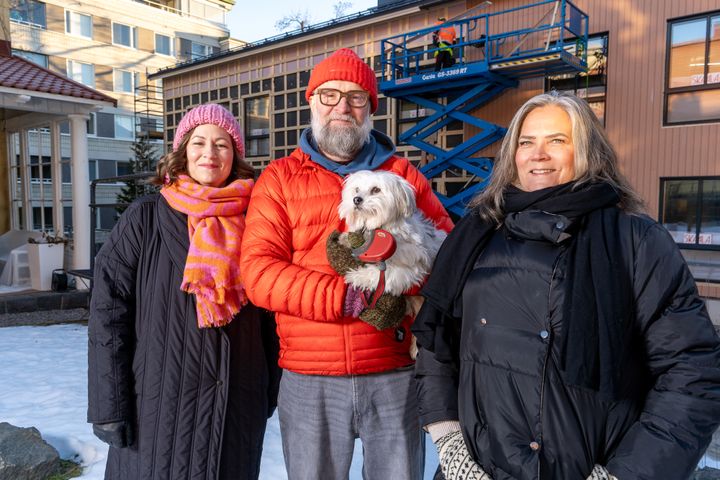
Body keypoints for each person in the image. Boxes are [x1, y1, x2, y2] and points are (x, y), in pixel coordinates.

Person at [412, 91, 720, 480]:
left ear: (588, 150)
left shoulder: (636, 241)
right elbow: (438, 347)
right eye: (526, 142)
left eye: (557, 140)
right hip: (476, 470)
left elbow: (691, 373)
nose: (538, 154)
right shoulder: (477, 234)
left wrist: (626, 474)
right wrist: (449, 440)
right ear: (513, 155)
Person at [240, 48, 453, 480]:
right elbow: (258, 274)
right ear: (311, 101)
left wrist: (404, 284)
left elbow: (447, 257)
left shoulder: (404, 176)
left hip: (393, 368)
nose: (342, 106)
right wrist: (347, 297)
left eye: (356, 97)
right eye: (330, 94)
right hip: (309, 374)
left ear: (371, 109)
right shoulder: (279, 178)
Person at [87, 104, 281, 480]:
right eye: (199, 142)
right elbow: (108, 316)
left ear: (235, 155)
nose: (210, 153)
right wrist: (108, 405)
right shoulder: (144, 217)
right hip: (158, 409)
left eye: (222, 144)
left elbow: (270, 313)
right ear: (183, 151)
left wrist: (267, 390)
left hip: (236, 407)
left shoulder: (256, 219)